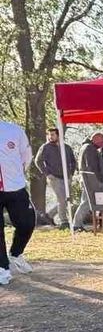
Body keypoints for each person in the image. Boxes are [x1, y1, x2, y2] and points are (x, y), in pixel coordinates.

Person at [0, 120, 36, 285]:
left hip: (15, 186)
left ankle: (15, 254)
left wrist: (17, 175)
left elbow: (26, 156)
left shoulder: (13, 130)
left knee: (27, 222)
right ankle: (2, 268)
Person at [34, 127, 77, 229]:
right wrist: (48, 174)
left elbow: (73, 161)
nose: (50, 137)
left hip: (67, 177)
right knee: (62, 199)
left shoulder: (66, 147)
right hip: (54, 178)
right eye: (49, 135)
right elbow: (38, 161)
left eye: (53, 134)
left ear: (58, 135)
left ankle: (49, 215)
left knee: (66, 200)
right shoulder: (45, 147)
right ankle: (64, 222)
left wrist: (71, 174)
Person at [74, 132, 103, 230]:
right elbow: (91, 166)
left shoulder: (88, 147)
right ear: (95, 139)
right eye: (102, 142)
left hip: (90, 179)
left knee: (102, 201)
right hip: (91, 180)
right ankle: (76, 224)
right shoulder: (89, 148)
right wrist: (98, 178)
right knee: (87, 202)